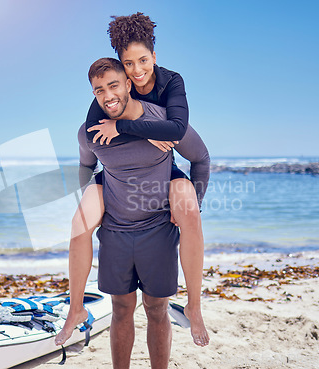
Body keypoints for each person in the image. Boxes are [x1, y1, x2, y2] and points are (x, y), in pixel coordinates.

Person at [55, 13, 210, 349]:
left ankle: (194, 306)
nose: (138, 71)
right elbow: (91, 139)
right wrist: (93, 200)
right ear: (121, 70)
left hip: (162, 169)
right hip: (115, 180)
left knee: (189, 208)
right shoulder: (104, 100)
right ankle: (76, 308)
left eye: (143, 61)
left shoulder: (170, 84)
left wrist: (138, 129)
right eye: (129, 64)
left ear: (154, 57)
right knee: (79, 222)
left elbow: (181, 136)